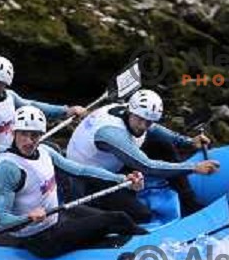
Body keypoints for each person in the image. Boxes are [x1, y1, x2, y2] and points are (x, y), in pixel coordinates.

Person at [0, 106, 147, 259]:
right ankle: (150, 250)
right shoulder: (7, 168)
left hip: (57, 216)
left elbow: (80, 170)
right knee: (117, 218)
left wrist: (120, 178)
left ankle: (141, 246)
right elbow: (1, 220)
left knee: (117, 219)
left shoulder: (45, 151)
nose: (29, 141)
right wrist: (27, 218)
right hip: (38, 238)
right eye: (23, 134)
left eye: (35, 135)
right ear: (13, 132)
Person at [66, 89, 220, 221]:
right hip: (88, 180)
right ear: (130, 111)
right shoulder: (110, 133)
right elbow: (146, 166)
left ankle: (189, 202)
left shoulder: (131, 113)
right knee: (142, 215)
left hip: (110, 164)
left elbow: (155, 130)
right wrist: (194, 167)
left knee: (163, 145)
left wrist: (188, 142)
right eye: (140, 120)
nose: (143, 126)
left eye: (148, 121)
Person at [0, 55, 86, 188]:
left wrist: (65, 111)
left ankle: (65, 194)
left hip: (10, 151)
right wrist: (19, 153)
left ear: (6, 85)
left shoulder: (9, 96)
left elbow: (32, 106)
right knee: (14, 181)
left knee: (54, 150)